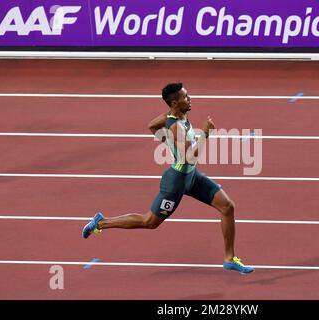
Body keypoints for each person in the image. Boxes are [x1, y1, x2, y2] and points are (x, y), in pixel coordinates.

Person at [82, 83, 254, 274]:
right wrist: (205, 133)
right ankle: (101, 222)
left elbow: (151, 125)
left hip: (192, 177)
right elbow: (190, 157)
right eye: (185, 97)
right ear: (174, 103)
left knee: (227, 206)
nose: (189, 99)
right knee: (150, 222)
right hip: (177, 182)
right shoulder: (176, 127)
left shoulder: (176, 116)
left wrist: (167, 141)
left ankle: (229, 258)